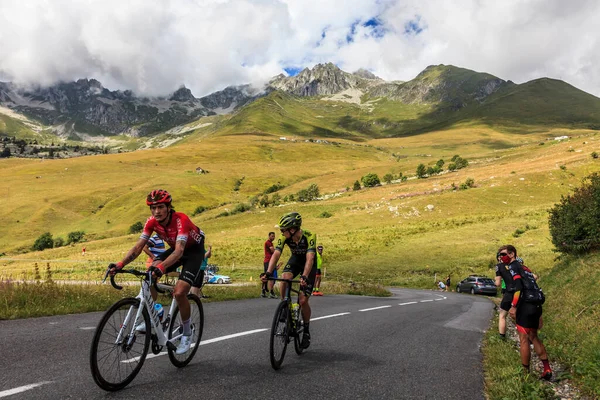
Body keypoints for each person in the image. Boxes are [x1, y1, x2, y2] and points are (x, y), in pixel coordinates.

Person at [108, 189, 206, 355]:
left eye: (160, 207)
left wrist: (161, 267)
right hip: (175, 250)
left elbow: (180, 251)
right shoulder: (152, 222)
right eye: (153, 208)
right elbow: (139, 247)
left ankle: (187, 333)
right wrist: (120, 263)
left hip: (193, 252)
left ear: (168, 207)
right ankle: (156, 312)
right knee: (149, 275)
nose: (156, 211)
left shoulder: (181, 220)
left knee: (180, 292)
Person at [261, 212, 317, 349]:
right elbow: (276, 254)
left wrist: (304, 276)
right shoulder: (284, 237)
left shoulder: (310, 236)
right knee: (285, 278)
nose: (281, 232)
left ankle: (307, 331)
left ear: (292, 230)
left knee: (303, 300)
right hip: (296, 260)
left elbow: (310, 259)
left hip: (308, 264)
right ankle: (284, 305)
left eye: (283, 230)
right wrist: (268, 272)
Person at [500, 245, 552, 380]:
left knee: (523, 339)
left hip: (525, 305)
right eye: (500, 255)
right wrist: (539, 313)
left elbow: (518, 287)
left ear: (512, 254)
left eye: (503, 254)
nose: (501, 257)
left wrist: (514, 306)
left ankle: (525, 374)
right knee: (534, 337)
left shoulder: (513, 266)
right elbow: (534, 285)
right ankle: (547, 368)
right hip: (536, 305)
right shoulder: (526, 269)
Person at [495, 251, 514, 339]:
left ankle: (502, 337)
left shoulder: (499, 266)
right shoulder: (516, 264)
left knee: (502, 315)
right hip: (521, 292)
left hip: (509, 292)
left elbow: (497, 283)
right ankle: (527, 336)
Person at [262, 232, 278, 298]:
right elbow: (273, 251)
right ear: (269, 236)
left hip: (268, 261)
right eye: (272, 236)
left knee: (266, 276)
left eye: (274, 236)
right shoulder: (268, 242)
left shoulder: (270, 243)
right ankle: (271, 292)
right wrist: (277, 250)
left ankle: (263, 291)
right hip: (269, 261)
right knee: (271, 277)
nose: (273, 237)